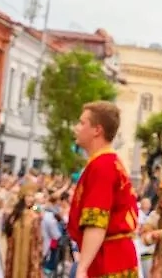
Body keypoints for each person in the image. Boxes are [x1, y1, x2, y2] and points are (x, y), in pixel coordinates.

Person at [67, 102, 139, 278]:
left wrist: (83, 267)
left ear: (97, 130)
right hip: (113, 256)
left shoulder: (102, 166)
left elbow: (96, 220)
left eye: (82, 123)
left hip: (106, 260)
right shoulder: (107, 162)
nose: (76, 128)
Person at [2, 182, 43, 278]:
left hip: (29, 253)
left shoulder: (35, 213)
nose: (30, 199)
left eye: (32, 196)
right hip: (16, 252)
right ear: (22, 197)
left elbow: (38, 237)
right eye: (28, 196)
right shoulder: (15, 213)